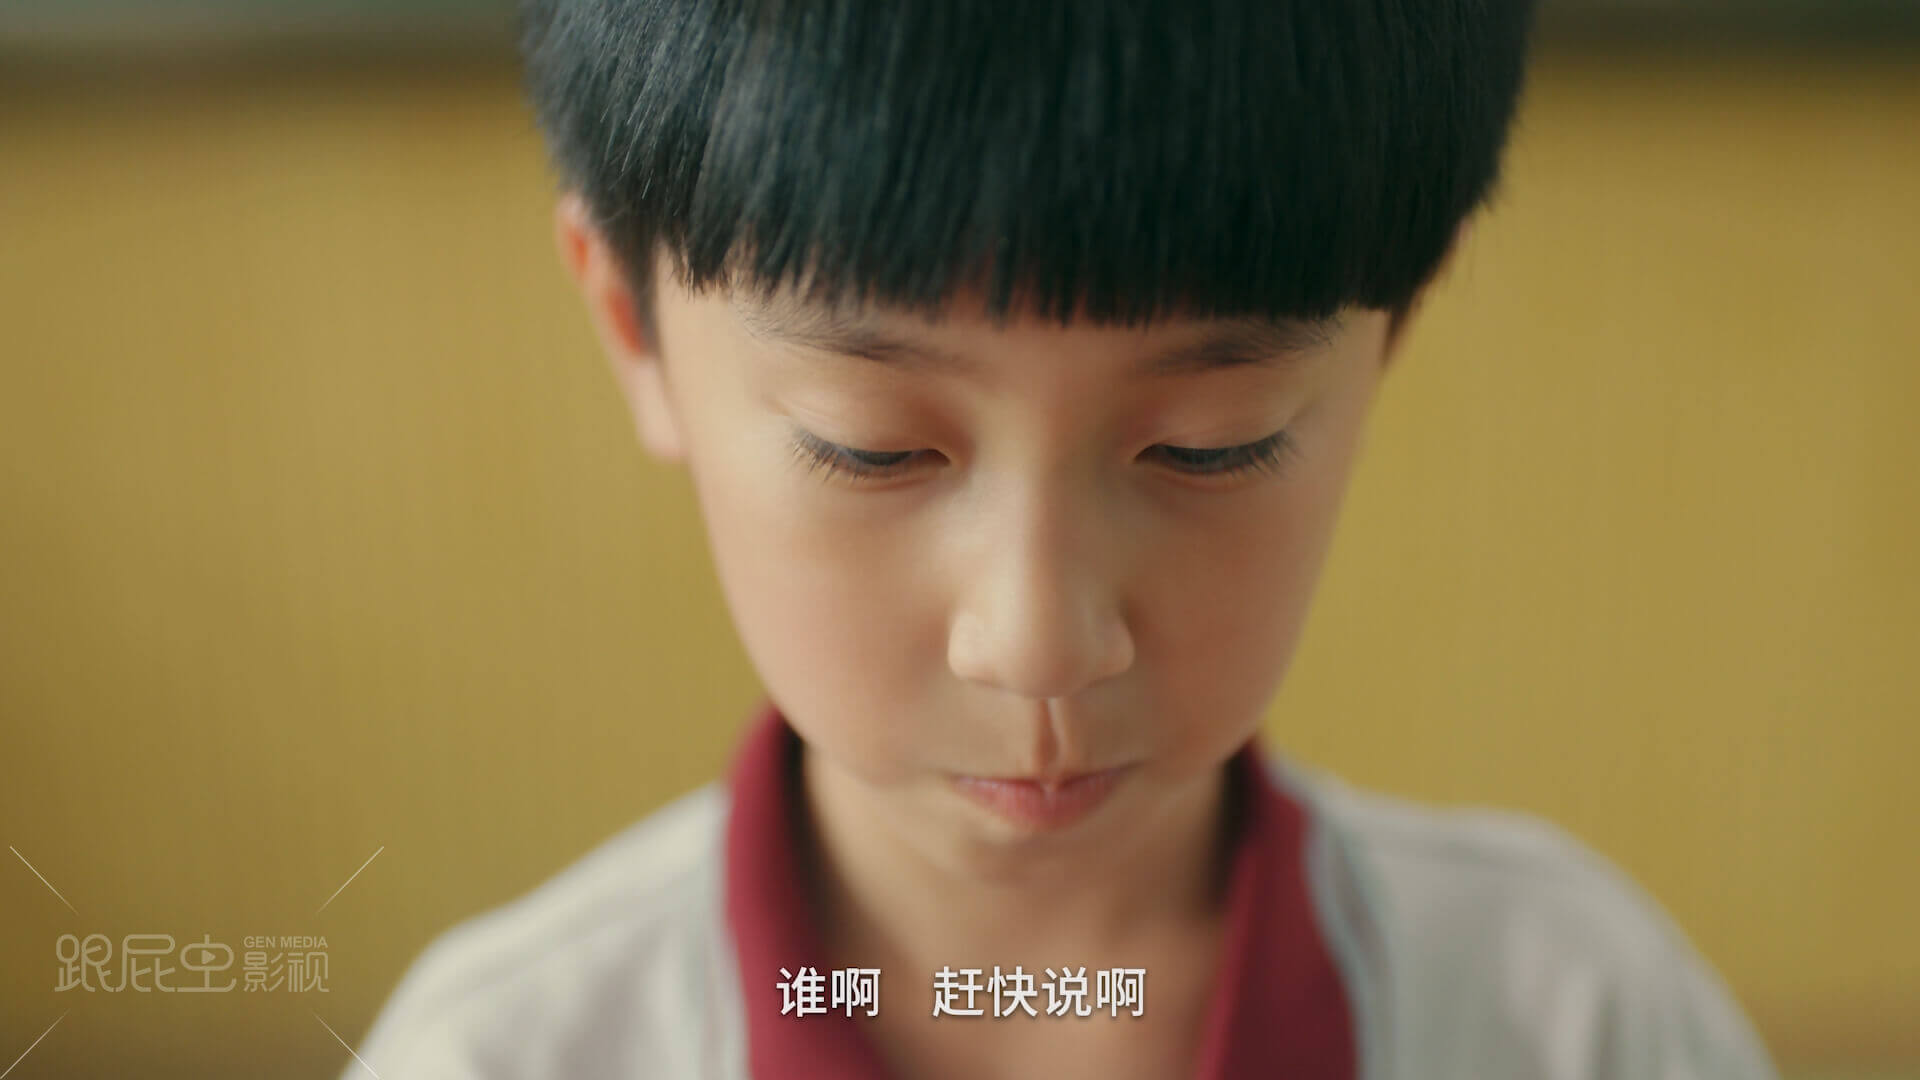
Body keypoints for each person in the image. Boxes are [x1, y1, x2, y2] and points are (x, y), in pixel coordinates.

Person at [345, 0, 1780, 1076]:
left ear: (1394, 326)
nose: (1037, 639)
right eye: (873, 444)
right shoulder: (498, 1056)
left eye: (1212, 443)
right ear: (632, 327)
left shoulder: (1581, 1026)